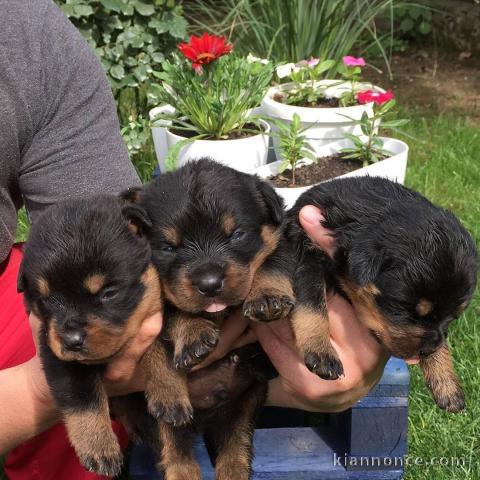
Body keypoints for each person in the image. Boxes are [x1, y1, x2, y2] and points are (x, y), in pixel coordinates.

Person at [0, 1, 388, 479]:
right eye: (173, 246)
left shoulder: (28, 32)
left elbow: (98, 240)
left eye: (238, 237)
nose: (207, 273)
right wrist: (36, 393)